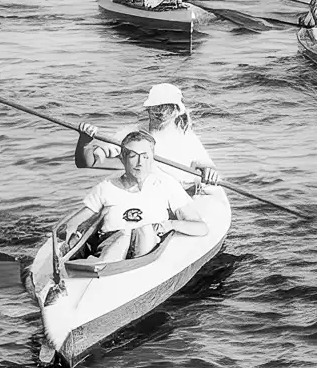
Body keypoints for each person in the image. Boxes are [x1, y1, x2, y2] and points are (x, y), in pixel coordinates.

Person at [56, 130, 211, 265]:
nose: (140, 163)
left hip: (147, 248)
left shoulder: (166, 185)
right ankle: (101, 266)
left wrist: (170, 224)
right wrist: (65, 238)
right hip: (111, 244)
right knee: (123, 237)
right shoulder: (106, 188)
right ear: (122, 158)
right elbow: (73, 223)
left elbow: (201, 228)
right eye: (133, 156)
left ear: (152, 159)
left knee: (145, 231)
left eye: (145, 156)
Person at [77, 83, 224, 189]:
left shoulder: (186, 137)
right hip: (146, 197)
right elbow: (86, 163)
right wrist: (84, 143)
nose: (160, 112)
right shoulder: (131, 136)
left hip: (181, 197)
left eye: (166, 107)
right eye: (156, 107)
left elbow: (208, 166)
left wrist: (210, 173)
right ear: (148, 109)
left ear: (176, 110)